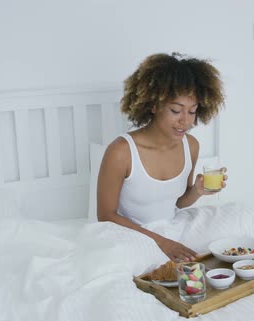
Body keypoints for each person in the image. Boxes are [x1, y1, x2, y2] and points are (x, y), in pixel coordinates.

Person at [96, 52, 227, 262]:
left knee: (227, 243)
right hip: (130, 237)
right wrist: (161, 243)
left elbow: (179, 203)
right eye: (176, 110)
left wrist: (198, 191)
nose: (186, 121)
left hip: (172, 228)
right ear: (154, 105)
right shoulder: (121, 151)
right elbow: (105, 216)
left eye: (192, 111)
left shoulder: (191, 146)